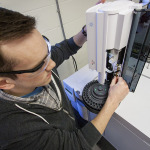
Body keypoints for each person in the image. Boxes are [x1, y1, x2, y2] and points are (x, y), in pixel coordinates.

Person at [0, 2, 129, 150]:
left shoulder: (35, 65)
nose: (52, 64)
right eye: (40, 65)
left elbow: (63, 49)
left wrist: (88, 30)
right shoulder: (15, 133)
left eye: (46, 49)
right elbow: (77, 145)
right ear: (4, 82)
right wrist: (113, 101)